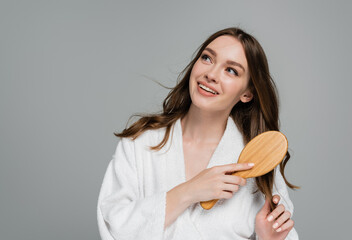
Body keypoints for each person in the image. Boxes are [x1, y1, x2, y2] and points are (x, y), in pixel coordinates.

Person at [97, 27, 299, 240]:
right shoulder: (141, 142)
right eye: (207, 58)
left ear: (247, 93)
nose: (210, 74)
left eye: (231, 70)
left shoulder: (258, 162)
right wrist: (187, 192)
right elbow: (112, 225)